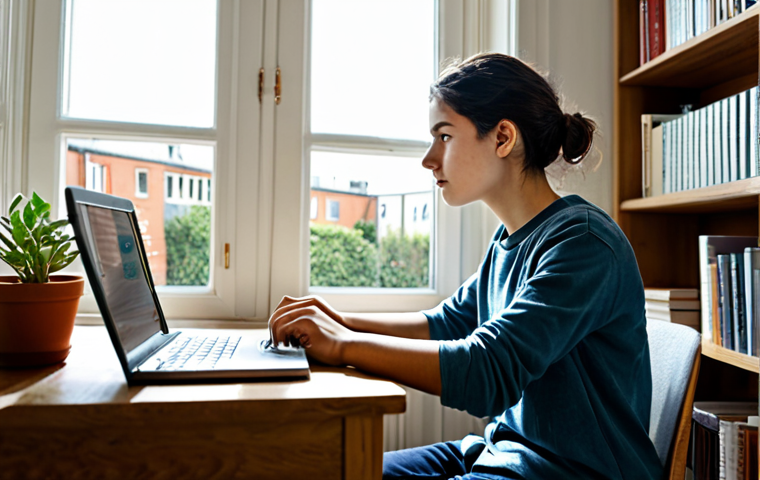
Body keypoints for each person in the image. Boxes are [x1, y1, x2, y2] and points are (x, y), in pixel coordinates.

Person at [268, 53, 663, 479]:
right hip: (500, 453)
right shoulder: (509, 240)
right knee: (341, 470)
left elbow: (487, 370)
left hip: (571, 472)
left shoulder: (583, 243)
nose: (428, 159)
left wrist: (343, 344)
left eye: (444, 136)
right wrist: (338, 321)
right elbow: (448, 323)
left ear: (502, 137)